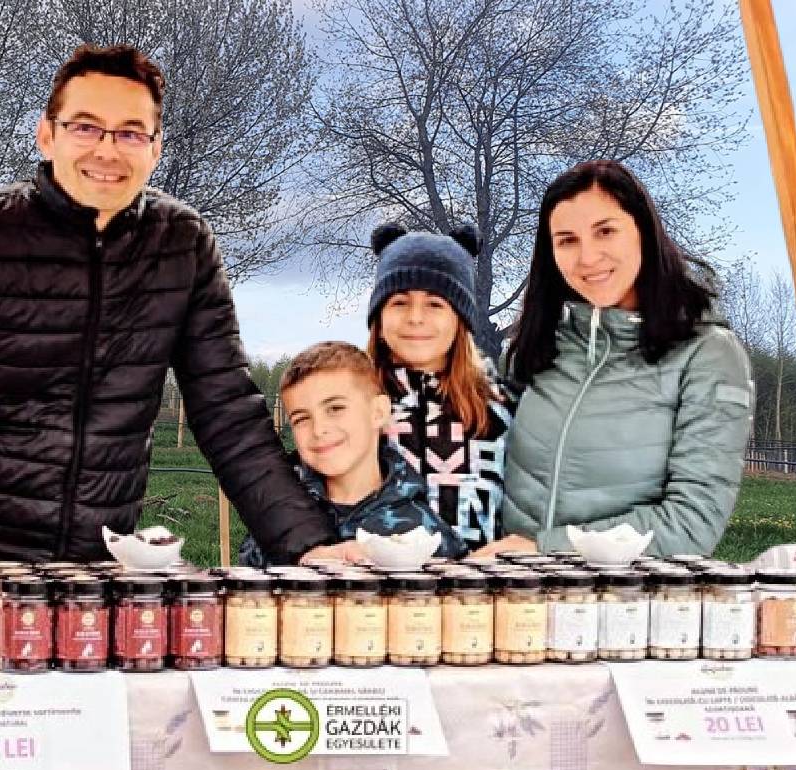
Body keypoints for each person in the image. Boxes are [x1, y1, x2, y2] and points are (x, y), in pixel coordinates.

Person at [0, 44, 345, 597]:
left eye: (131, 132)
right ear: (47, 134)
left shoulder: (182, 244)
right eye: (85, 127)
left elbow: (226, 409)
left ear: (154, 150)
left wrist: (306, 544)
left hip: (101, 574)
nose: (107, 150)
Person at [481, 160, 753, 557]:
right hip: (516, 600)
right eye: (567, 240)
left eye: (605, 231)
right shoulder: (540, 345)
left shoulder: (708, 354)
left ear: (644, 231)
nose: (587, 257)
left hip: (626, 603)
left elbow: (693, 523)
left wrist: (543, 549)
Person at [238, 342, 465, 567]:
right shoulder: (279, 511)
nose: (319, 429)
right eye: (301, 418)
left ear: (378, 412)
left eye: (335, 408)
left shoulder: (426, 534)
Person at [365, 224, 515, 553]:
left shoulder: (503, 408)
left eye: (435, 304)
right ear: (379, 315)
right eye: (400, 302)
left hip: (478, 596)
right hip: (372, 596)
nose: (416, 317)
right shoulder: (354, 404)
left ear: (460, 317)